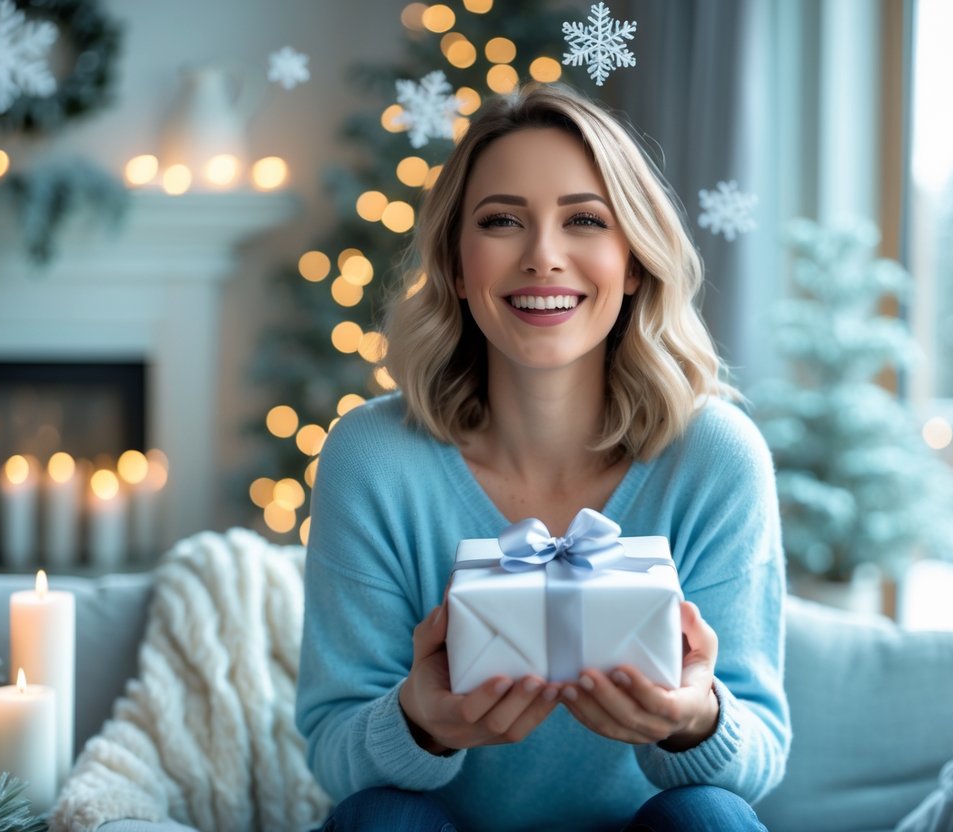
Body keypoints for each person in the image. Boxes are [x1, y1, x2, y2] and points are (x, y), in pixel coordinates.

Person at [296, 82, 789, 832]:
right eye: (501, 222)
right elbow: (332, 753)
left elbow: (761, 755)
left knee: (710, 816)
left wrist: (695, 718)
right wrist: (417, 719)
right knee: (380, 820)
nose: (543, 257)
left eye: (584, 220)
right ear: (458, 268)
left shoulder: (716, 456)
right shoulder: (373, 457)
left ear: (632, 263)